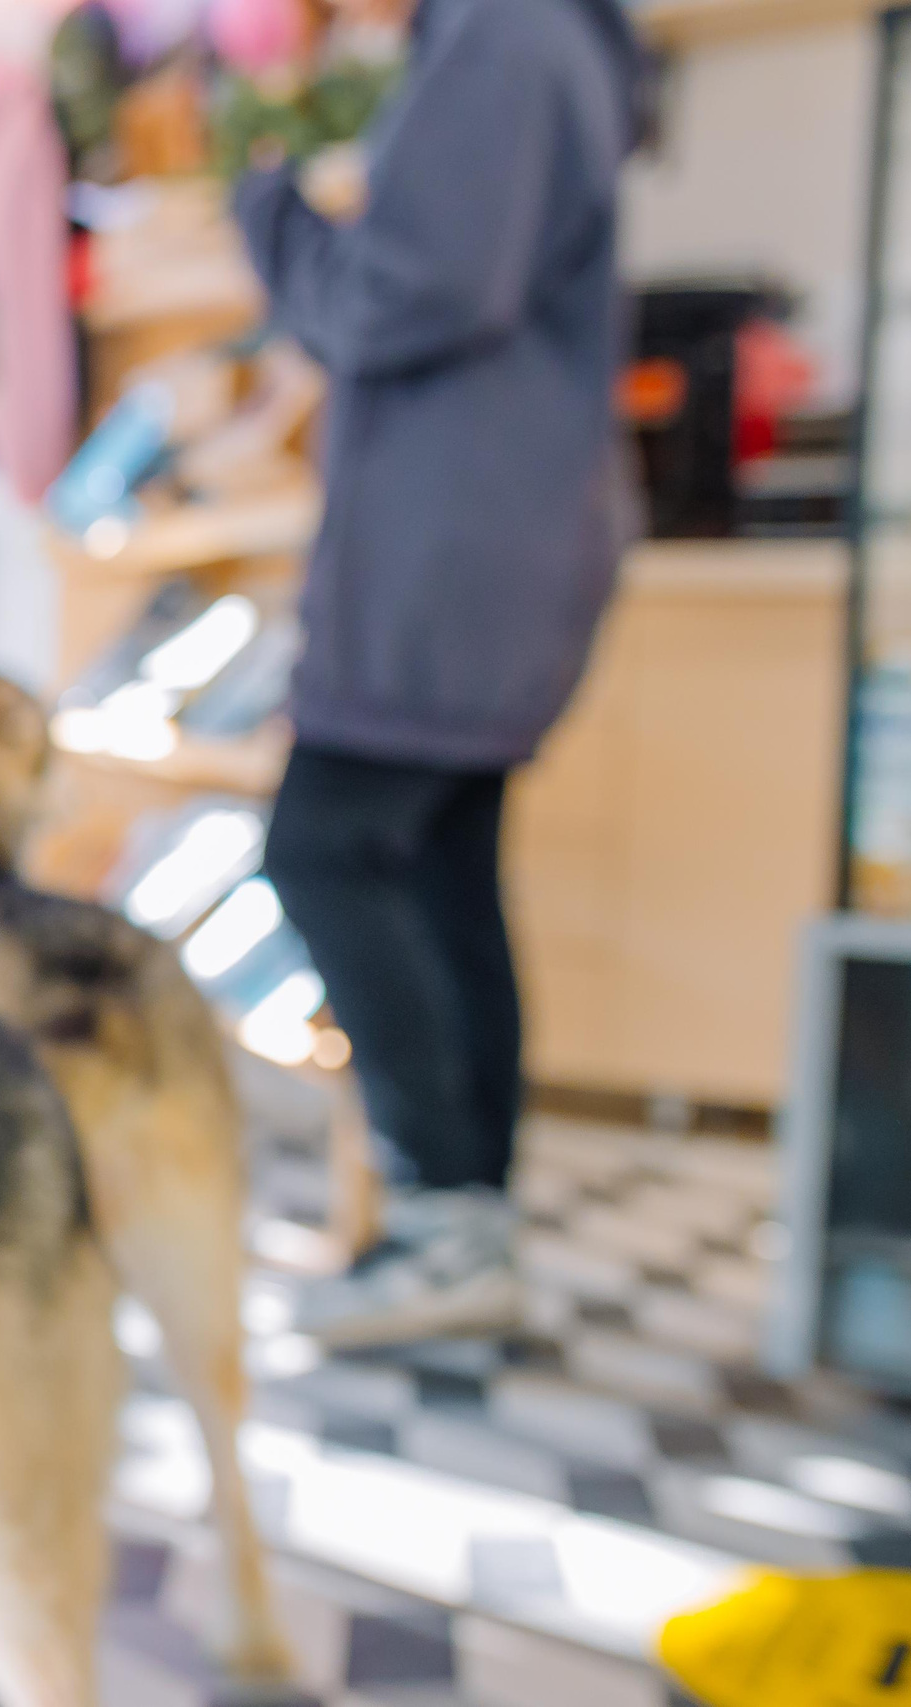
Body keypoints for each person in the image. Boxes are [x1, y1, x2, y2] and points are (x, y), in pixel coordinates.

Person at [231, 0, 646, 1346]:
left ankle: (443, 1219)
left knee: (325, 846)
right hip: (497, 534)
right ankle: (467, 1223)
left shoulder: (510, 35)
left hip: (456, 552)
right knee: (447, 866)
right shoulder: (538, 35)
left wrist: (273, 213)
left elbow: (409, 288)